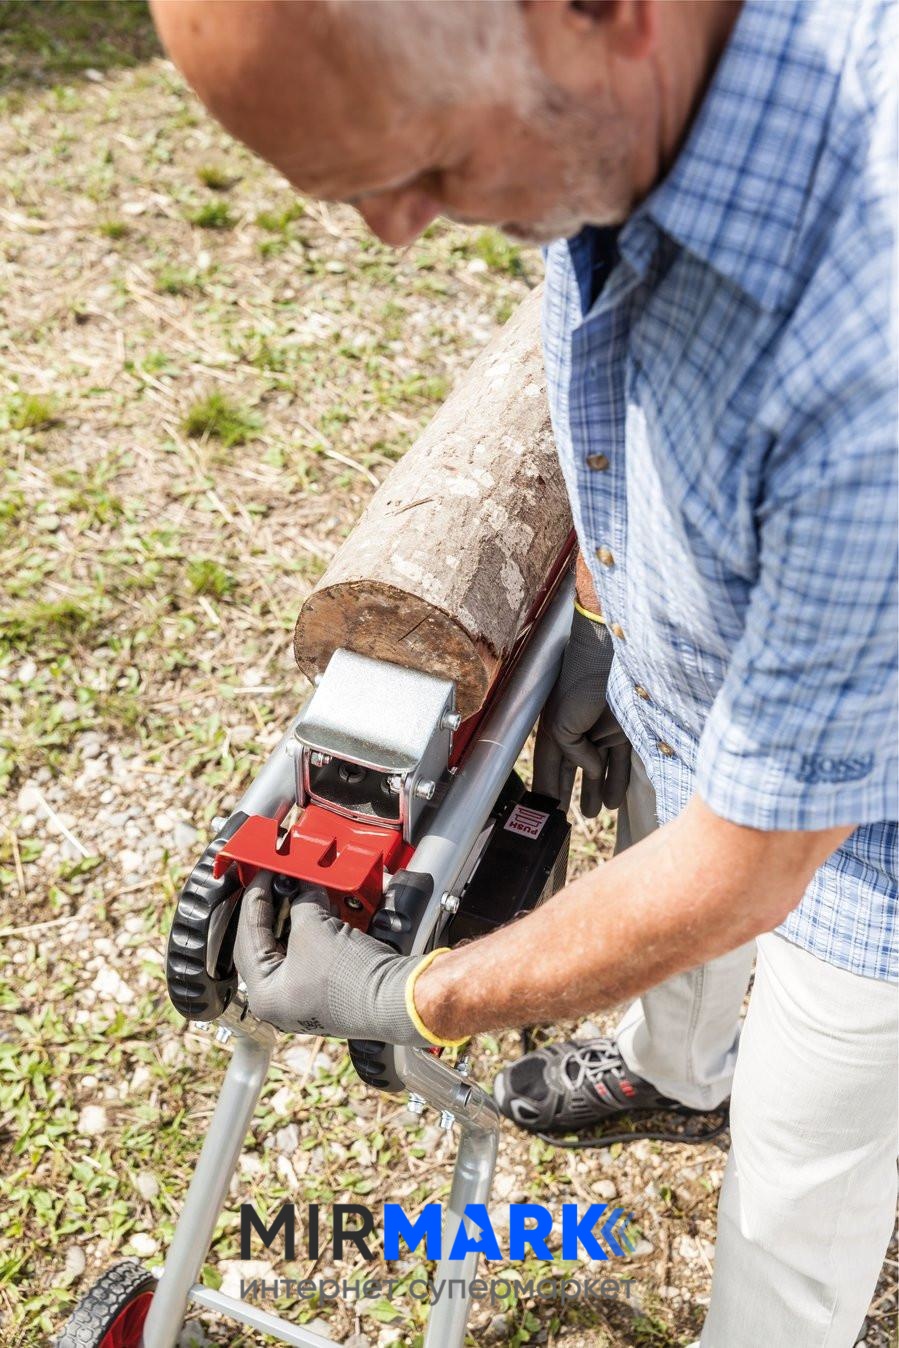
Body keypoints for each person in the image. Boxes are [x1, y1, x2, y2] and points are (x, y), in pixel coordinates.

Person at [150, 3, 898, 1344]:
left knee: (797, 1203)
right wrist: (613, 614)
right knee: (676, 880)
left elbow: (752, 867)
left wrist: (415, 996)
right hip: (741, 696)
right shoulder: (620, 111)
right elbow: (619, 373)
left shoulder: (869, 340)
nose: (396, 230)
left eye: (426, 164)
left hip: (871, 858)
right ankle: (678, 1071)